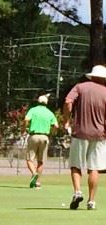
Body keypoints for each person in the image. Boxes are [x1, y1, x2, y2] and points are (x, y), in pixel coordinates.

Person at [63, 65, 106, 210]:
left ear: (92, 76)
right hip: (99, 134)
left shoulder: (80, 87)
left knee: (76, 165)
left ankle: (77, 192)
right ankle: (91, 201)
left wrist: (67, 120)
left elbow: (68, 102)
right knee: (94, 168)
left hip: (80, 132)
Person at [21, 95, 58, 188]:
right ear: (46, 103)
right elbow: (56, 126)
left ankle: (34, 173)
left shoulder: (33, 110)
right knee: (41, 161)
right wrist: (52, 133)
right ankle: (38, 182)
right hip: (45, 137)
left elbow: (26, 119)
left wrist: (24, 129)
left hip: (34, 136)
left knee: (29, 159)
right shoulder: (49, 113)